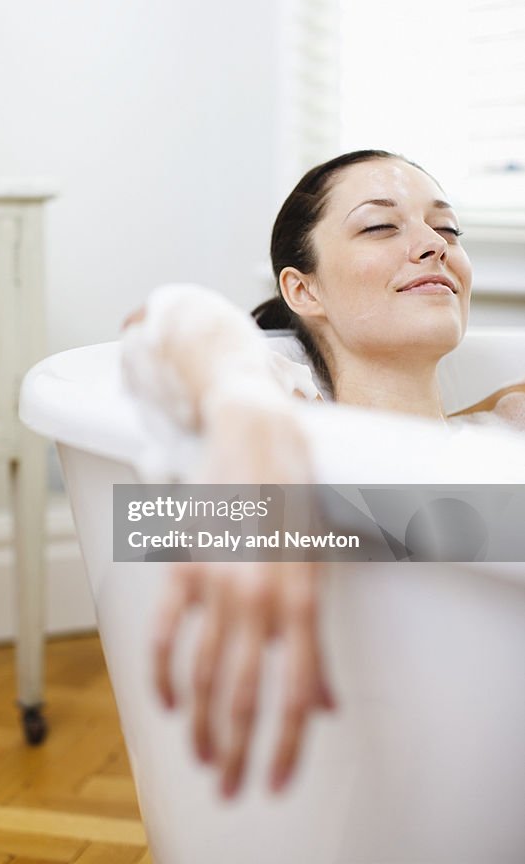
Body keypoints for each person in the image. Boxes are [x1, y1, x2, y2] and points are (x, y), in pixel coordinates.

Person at [120, 149, 525, 801]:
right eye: (379, 226)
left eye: (447, 230)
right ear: (302, 290)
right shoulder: (283, 426)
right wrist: (242, 401)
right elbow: (171, 321)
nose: (432, 246)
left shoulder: (503, 425)